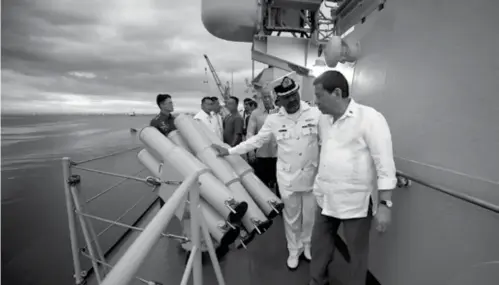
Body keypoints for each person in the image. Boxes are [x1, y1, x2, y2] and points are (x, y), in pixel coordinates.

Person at [212, 77, 321, 270]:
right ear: (279, 100)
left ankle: (307, 246)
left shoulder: (315, 113)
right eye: (287, 97)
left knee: (310, 216)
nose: (292, 99)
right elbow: (255, 141)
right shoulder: (274, 120)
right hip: (288, 177)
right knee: (292, 217)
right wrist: (229, 151)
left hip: (312, 176)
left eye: (294, 94)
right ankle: (293, 250)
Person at [309, 70, 397, 285]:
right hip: (325, 198)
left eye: (319, 95)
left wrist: (385, 204)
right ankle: (317, 281)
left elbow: (384, 164)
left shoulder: (370, 118)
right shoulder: (324, 120)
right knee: (319, 247)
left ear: (337, 93)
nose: (316, 101)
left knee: (357, 254)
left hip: (355, 203)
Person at [246, 89, 279, 197]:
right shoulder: (256, 114)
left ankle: (281, 209)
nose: (267, 99)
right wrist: (251, 151)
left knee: (280, 185)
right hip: (262, 155)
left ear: (274, 96)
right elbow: (250, 133)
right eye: (264, 97)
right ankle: (266, 210)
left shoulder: (281, 112)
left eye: (269, 96)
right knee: (262, 185)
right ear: (261, 99)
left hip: (279, 155)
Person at [150, 93, 176, 207]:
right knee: (165, 184)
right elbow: (153, 142)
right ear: (162, 105)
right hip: (165, 158)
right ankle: (165, 208)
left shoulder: (174, 120)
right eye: (169, 102)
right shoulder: (156, 122)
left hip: (178, 156)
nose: (172, 104)